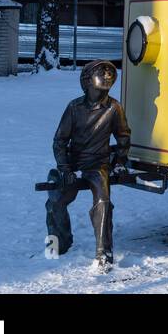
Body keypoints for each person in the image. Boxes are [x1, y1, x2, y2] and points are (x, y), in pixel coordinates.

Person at [46, 59, 131, 268]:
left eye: (109, 72)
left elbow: (123, 136)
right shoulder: (74, 107)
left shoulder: (114, 107)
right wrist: (65, 168)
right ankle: (60, 242)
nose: (106, 75)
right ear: (87, 80)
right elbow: (59, 141)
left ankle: (104, 253)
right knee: (56, 200)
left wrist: (119, 161)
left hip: (98, 163)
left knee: (103, 202)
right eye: (100, 72)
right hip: (73, 160)